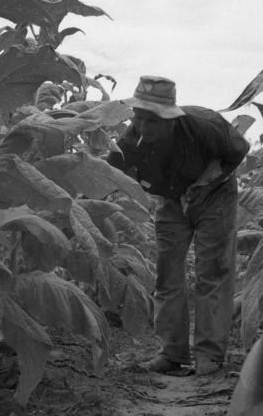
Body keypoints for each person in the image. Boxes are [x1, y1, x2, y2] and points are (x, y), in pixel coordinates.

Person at [108, 75, 249, 375]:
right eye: (139, 118)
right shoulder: (131, 141)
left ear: (170, 118)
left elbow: (238, 151)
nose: (142, 127)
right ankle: (172, 354)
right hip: (172, 200)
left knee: (213, 270)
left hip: (215, 194)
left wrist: (204, 183)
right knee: (168, 273)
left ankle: (209, 355)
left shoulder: (205, 125)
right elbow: (105, 174)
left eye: (152, 120)